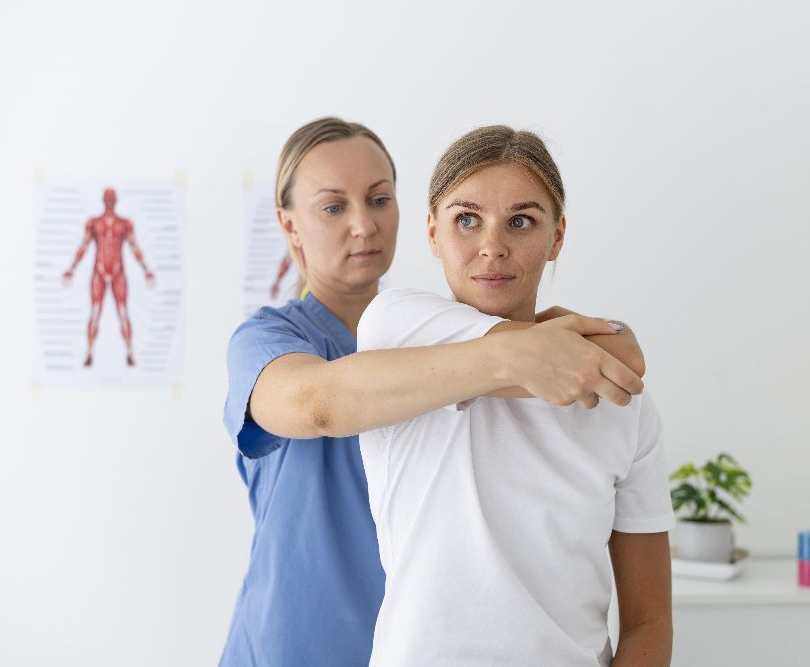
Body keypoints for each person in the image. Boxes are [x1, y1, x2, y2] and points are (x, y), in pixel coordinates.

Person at [220, 117, 649, 666]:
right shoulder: (267, 340)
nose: (363, 225)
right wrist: (563, 345)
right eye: (333, 207)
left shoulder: (439, 331)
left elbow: (595, 365)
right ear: (289, 225)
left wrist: (578, 345)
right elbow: (313, 403)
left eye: (379, 199)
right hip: (296, 644)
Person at [357, 126, 674, 666]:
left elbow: (649, 620)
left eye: (521, 221)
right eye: (466, 220)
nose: (492, 247)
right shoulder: (395, 331)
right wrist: (604, 339)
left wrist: (600, 343)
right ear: (432, 232)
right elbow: (614, 355)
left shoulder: (625, 406)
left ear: (558, 236)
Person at [62, 187, 155, 367]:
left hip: (118, 272)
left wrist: (146, 269)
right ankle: (89, 352)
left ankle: (130, 352)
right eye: (107, 198)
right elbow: (84, 246)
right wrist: (71, 268)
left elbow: (135, 247)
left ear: (116, 200)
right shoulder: (94, 223)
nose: (110, 201)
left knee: (122, 312)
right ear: (104, 200)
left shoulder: (124, 224)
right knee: (95, 313)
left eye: (112, 198)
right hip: (99, 271)